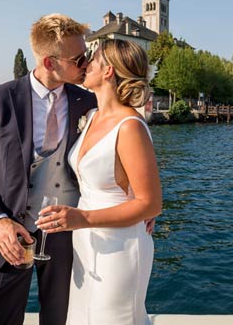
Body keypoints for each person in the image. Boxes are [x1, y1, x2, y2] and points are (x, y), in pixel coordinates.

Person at [0, 13, 97, 325]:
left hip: (67, 237)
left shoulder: (87, 101)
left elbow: (111, 154)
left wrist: (140, 203)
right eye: (79, 58)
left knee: (62, 319)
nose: (86, 64)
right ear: (50, 62)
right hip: (11, 235)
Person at [37, 39, 162, 325]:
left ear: (108, 71)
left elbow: (151, 202)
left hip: (120, 246)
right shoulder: (91, 116)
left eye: (92, 58)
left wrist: (82, 218)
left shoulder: (130, 126)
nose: (85, 63)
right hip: (85, 242)